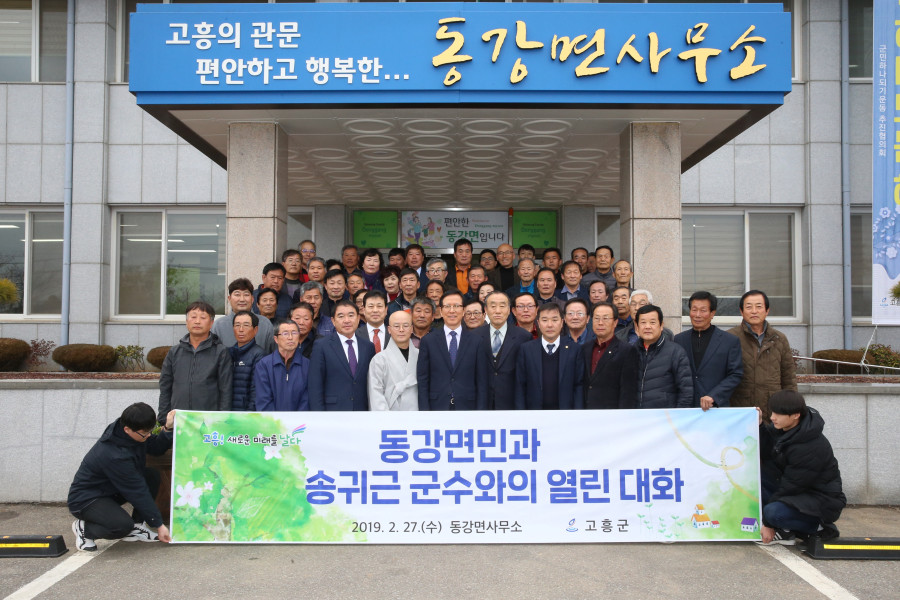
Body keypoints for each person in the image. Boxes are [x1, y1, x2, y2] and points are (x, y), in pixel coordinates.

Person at [69, 403, 175, 551]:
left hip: (111, 490)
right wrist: (159, 524)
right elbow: (137, 490)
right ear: (127, 429)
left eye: (150, 431)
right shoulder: (114, 454)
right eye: (145, 433)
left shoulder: (131, 431)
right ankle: (85, 529)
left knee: (151, 476)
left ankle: (137, 526)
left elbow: (156, 448)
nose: (149, 436)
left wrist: (168, 428)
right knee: (121, 526)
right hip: (86, 499)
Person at [758, 390, 845, 545]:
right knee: (755, 478)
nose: (772, 417)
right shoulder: (784, 428)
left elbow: (791, 486)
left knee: (772, 513)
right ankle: (785, 530)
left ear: (796, 415)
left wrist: (767, 523)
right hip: (797, 491)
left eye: (778, 414)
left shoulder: (809, 446)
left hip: (820, 499)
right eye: (772, 412)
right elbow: (765, 451)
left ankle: (819, 527)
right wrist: (759, 425)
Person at [728, 290, 797, 422]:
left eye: (759, 306)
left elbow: (788, 377)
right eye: (749, 307)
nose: (754, 311)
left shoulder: (779, 338)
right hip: (741, 410)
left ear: (767, 310)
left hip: (773, 410)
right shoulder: (730, 337)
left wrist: (792, 407)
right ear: (741, 311)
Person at [157, 301, 232, 423]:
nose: (197, 321)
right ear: (187, 322)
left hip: (208, 420)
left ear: (211, 323)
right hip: (179, 418)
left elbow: (226, 389)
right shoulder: (174, 352)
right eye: (193, 317)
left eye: (203, 317)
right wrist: (163, 417)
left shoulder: (220, 352)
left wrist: (222, 418)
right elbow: (165, 386)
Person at [417, 290, 489, 410]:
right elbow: (423, 380)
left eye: (456, 306)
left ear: (463, 310)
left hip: (468, 407)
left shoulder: (477, 341)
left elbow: (482, 382)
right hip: (437, 406)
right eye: (447, 306)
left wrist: (480, 411)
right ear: (441, 311)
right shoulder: (428, 341)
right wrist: (425, 411)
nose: (452, 311)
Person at [674, 291, 743, 410]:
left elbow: (735, 374)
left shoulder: (729, 341)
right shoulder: (679, 340)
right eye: (694, 310)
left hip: (715, 408)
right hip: (686, 408)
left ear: (712, 313)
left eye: (703, 310)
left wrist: (714, 396)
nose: (697, 315)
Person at [309, 299, 375, 411]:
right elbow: (315, 385)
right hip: (333, 411)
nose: (347, 320)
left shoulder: (368, 346)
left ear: (358, 318)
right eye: (341, 316)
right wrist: (319, 415)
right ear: (333, 321)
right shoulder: (321, 346)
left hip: (362, 411)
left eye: (351, 315)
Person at [515, 303, 584, 410]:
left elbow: (578, 385)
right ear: (538, 323)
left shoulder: (574, 350)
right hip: (534, 413)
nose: (550, 325)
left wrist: (577, 413)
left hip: (565, 413)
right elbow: (520, 385)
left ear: (562, 322)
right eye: (545, 320)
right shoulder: (526, 349)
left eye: (554, 320)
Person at [623, 305, 692, 409]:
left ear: (661, 325)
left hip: (665, 416)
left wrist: (678, 416)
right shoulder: (630, 352)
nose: (647, 326)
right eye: (643, 322)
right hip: (636, 416)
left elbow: (686, 391)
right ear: (636, 326)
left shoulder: (676, 352)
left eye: (652, 322)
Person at [474, 290, 533, 410]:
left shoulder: (523, 336)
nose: (497, 311)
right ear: (485, 309)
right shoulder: (474, 336)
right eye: (493, 306)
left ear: (509, 309)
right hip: (482, 402)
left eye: (502, 306)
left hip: (512, 402)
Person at [254, 319, 311, 411]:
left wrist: (297, 418)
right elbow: (263, 399)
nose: (290, 337)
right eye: (285, 333)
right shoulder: (264, 365)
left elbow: (306, 399)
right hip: (271, 419)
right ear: (276, 339)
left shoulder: (308, 365)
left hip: (299, 419)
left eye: (294, 333)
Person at [368, 310, 419, 411]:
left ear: (412, 329)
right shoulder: (379, 360)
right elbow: (376, 396)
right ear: (389, 329)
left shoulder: (420, 355)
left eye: (405, 326)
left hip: (418, 415)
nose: (401, 330)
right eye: (396, 326)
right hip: (390, 415)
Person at [582, 302, 630, 409]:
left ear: (615, 322)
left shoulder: (626, 350)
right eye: (596, 318)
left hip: (611, 413)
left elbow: (627, 390)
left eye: (605, 318)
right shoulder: (585, 348)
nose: (600, 323)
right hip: (586, 412)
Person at [212, 277, 275, 354]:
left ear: (252, 299)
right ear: (229, 298)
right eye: (237, 294)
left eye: (246, 294)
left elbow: (273, 354)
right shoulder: (218, 325)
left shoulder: (265, 324)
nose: (242, 299)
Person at [230, 311, 265, 411]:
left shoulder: (259, 355)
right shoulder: (228, 352)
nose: (241, 329)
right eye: (237, 325)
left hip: (246, 413)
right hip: (227, 412)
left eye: (246, 325)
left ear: (255, 330)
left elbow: (256, 390)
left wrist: (249, 414)